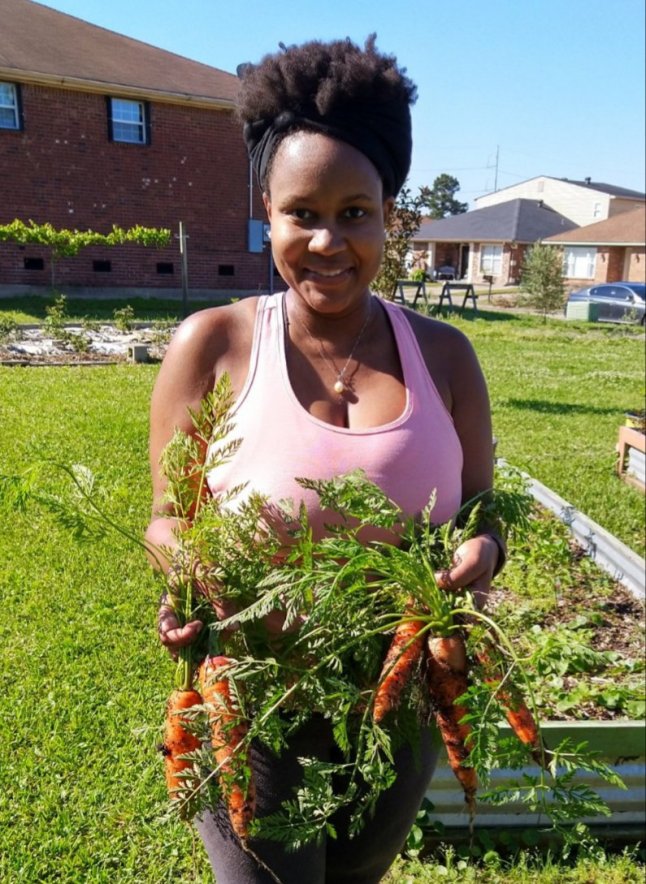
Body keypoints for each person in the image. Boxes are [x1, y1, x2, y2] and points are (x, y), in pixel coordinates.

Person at [146, 35, 503, 884]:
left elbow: (483, 506)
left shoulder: (446, 356)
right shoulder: (215, 345)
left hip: (405, 699)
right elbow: (167, 513)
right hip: (255, 700)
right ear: (266, 212)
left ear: (390, 217)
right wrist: (182, 570)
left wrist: (483, 552)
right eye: (302, 213)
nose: (328, 242)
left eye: (355, 213)